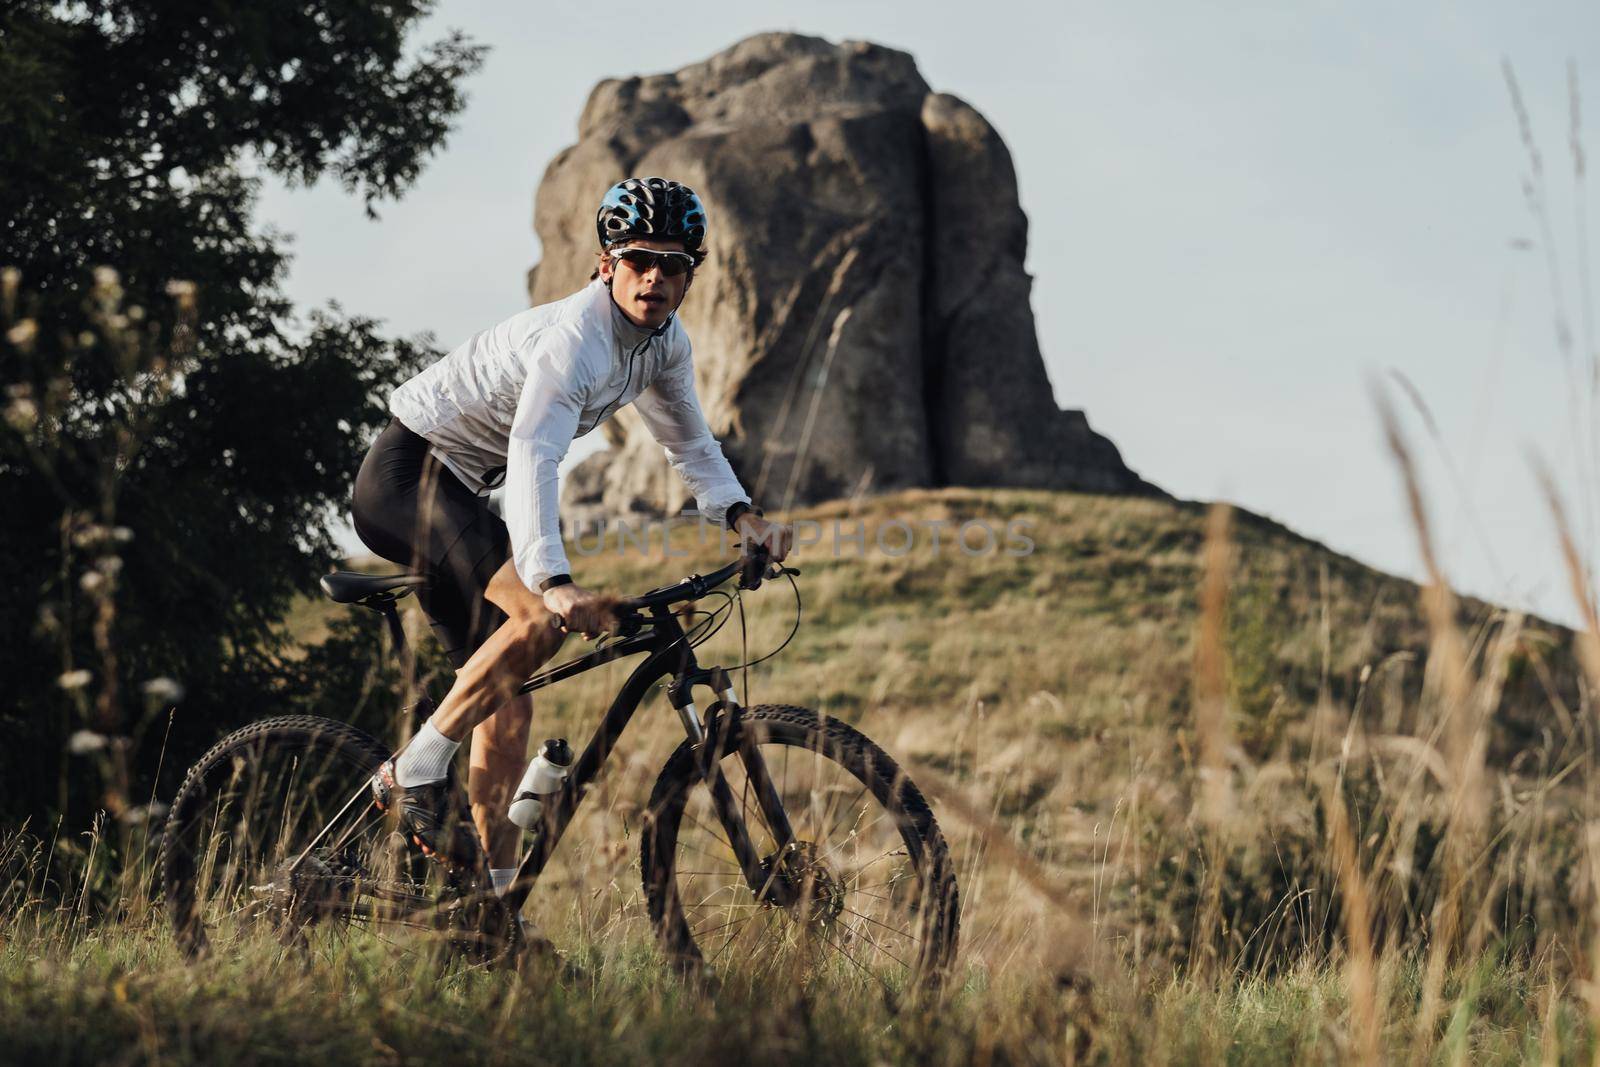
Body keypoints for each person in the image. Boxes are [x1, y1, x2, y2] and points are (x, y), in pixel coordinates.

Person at [348, 176, 793, 896]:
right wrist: (552, 584)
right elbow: (534, 453)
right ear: (605, 263)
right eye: (639, 259)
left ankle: (493, 909)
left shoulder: (663, 344)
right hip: (407, 476)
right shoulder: (575, 340)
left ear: (691, 275)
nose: (655, 277)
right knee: (533, 619)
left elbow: (691, 445)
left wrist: (745, 518)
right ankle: (412, 769)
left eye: (673, 264)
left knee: (509, 700)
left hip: (461, 492)